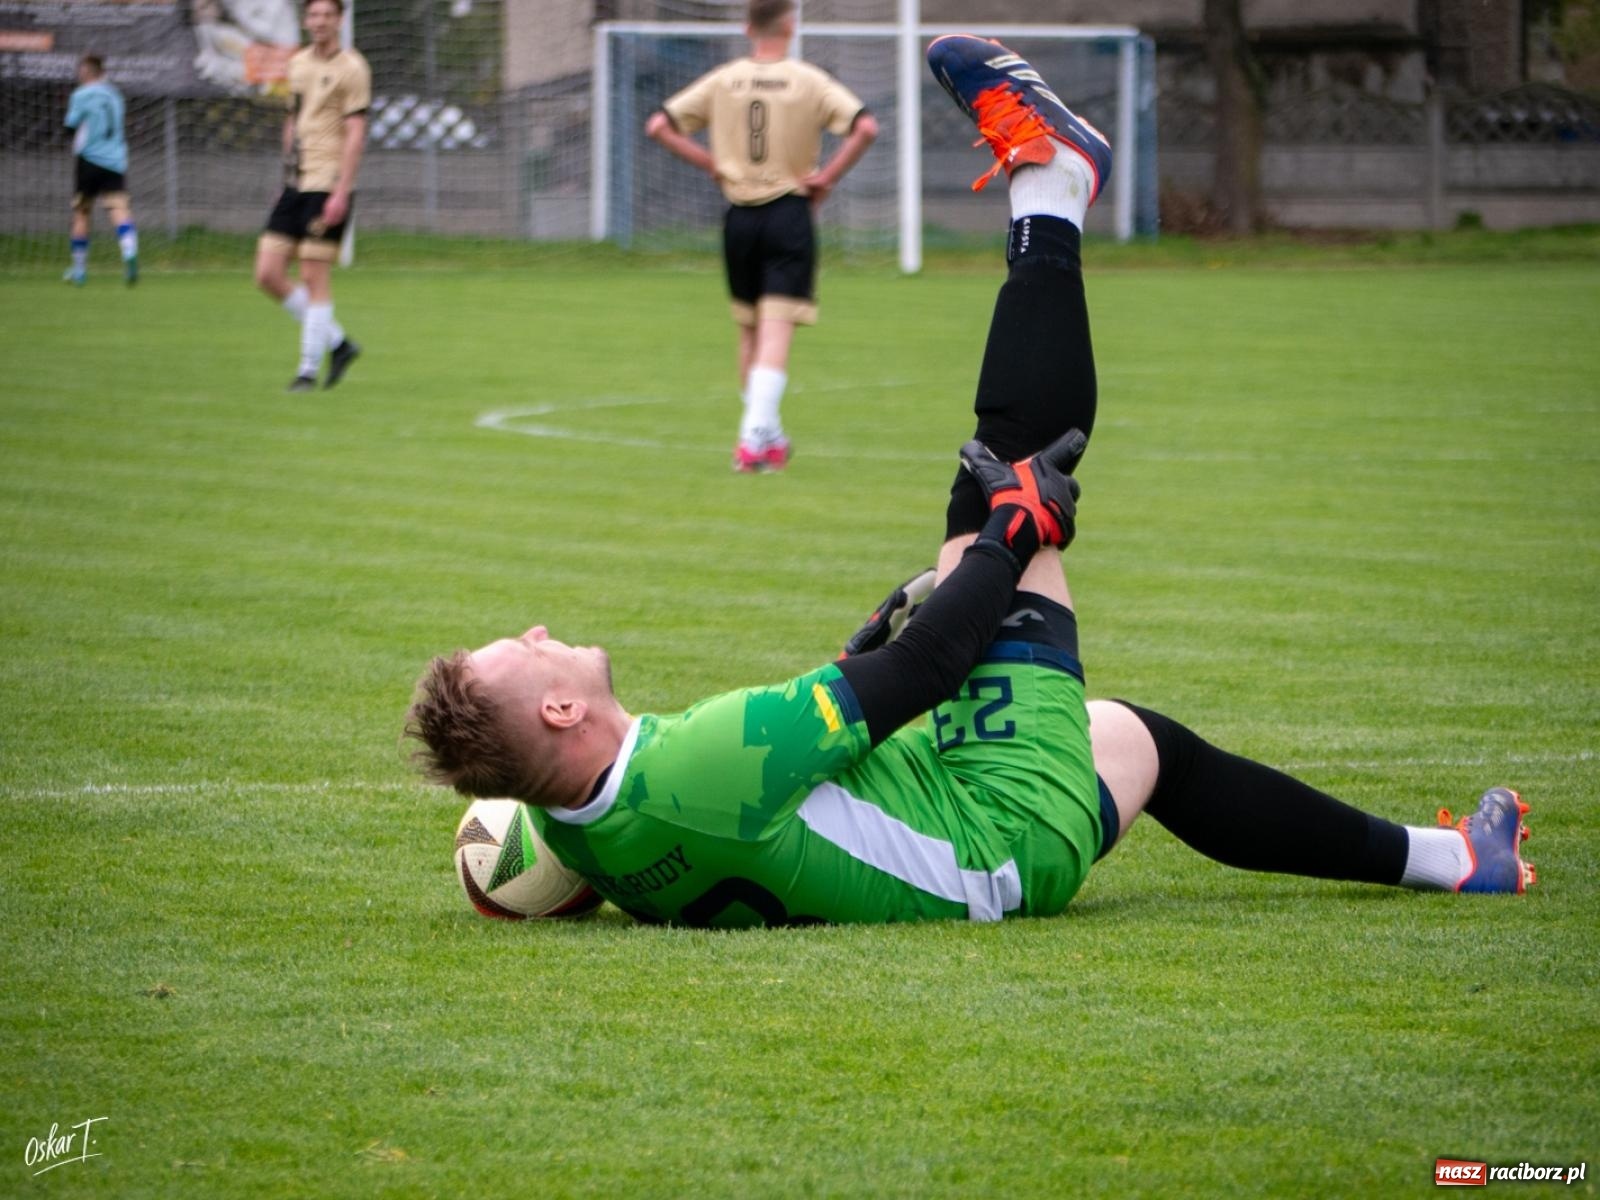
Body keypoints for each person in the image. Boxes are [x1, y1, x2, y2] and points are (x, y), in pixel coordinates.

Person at [404, 36, 1535, 928]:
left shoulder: (589, 829)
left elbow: (592, 836)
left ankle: (1456, 861)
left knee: (1147, 747)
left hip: (970, 834)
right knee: (1003, 476)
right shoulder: (699, 760)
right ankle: (1052, 183)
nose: (540, 631)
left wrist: (863, 655)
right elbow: (929, 667)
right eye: (525, 649)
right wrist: (1013, 533)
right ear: (560, 711)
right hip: (1000, 819)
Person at [644, 0, 879, 473]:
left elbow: (659, 126)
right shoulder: (808, 79)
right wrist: (827, 177)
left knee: (750, 328)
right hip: (788, 212)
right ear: (789, 25)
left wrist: (713, 165)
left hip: (739, 219)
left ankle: (768, 436)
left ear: (747, 27)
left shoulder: (724, 78)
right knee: (776, 327)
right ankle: (752, 436)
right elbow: (865, 127)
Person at [252, 0, 368, 392]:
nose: (320, 22)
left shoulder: (353, 67)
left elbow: (356, 132)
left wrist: (342, 190)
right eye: (314, 15)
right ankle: (339, 344)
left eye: (327, 15)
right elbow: (293, 120)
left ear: (340, 20)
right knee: (267, 274)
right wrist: (284, 175)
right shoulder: (298, 64)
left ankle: (306, 371)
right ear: (306, 20)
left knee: (312, 274)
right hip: (295, 182)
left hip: (327, 182)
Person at [64, 55, 139, 287]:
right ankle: (130, 254)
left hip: (89, 160)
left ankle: (79, 270)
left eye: (80, 70)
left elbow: (70, 127)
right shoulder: (116, 95)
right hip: (115, 161)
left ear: (87, 72)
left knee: (82, 213)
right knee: (119, 209)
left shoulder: (81, 95)